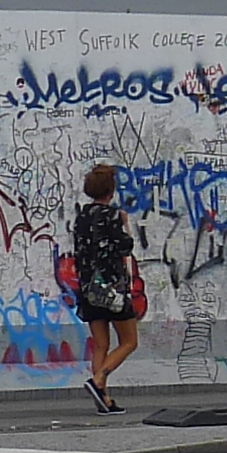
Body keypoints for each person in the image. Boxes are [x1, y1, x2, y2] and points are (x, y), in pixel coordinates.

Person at [70, 163, 142, 412]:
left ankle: (104, 400)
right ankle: (98, 379)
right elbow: (125, 247)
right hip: (112, 290)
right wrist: (125, 223)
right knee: (129, 341)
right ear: (110, 191)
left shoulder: (81, 218)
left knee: (101, 345)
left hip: (89, 288)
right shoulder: (112, 216)